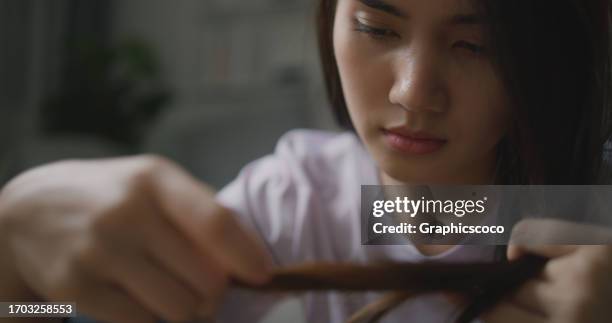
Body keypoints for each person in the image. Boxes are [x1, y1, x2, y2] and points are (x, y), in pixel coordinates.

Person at [1, 0, 611, 322]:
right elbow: (61, 313)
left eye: (475, 45)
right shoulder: (296, 197)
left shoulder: (592, 222)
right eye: (376, 27)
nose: (412, 93)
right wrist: (15, 276)